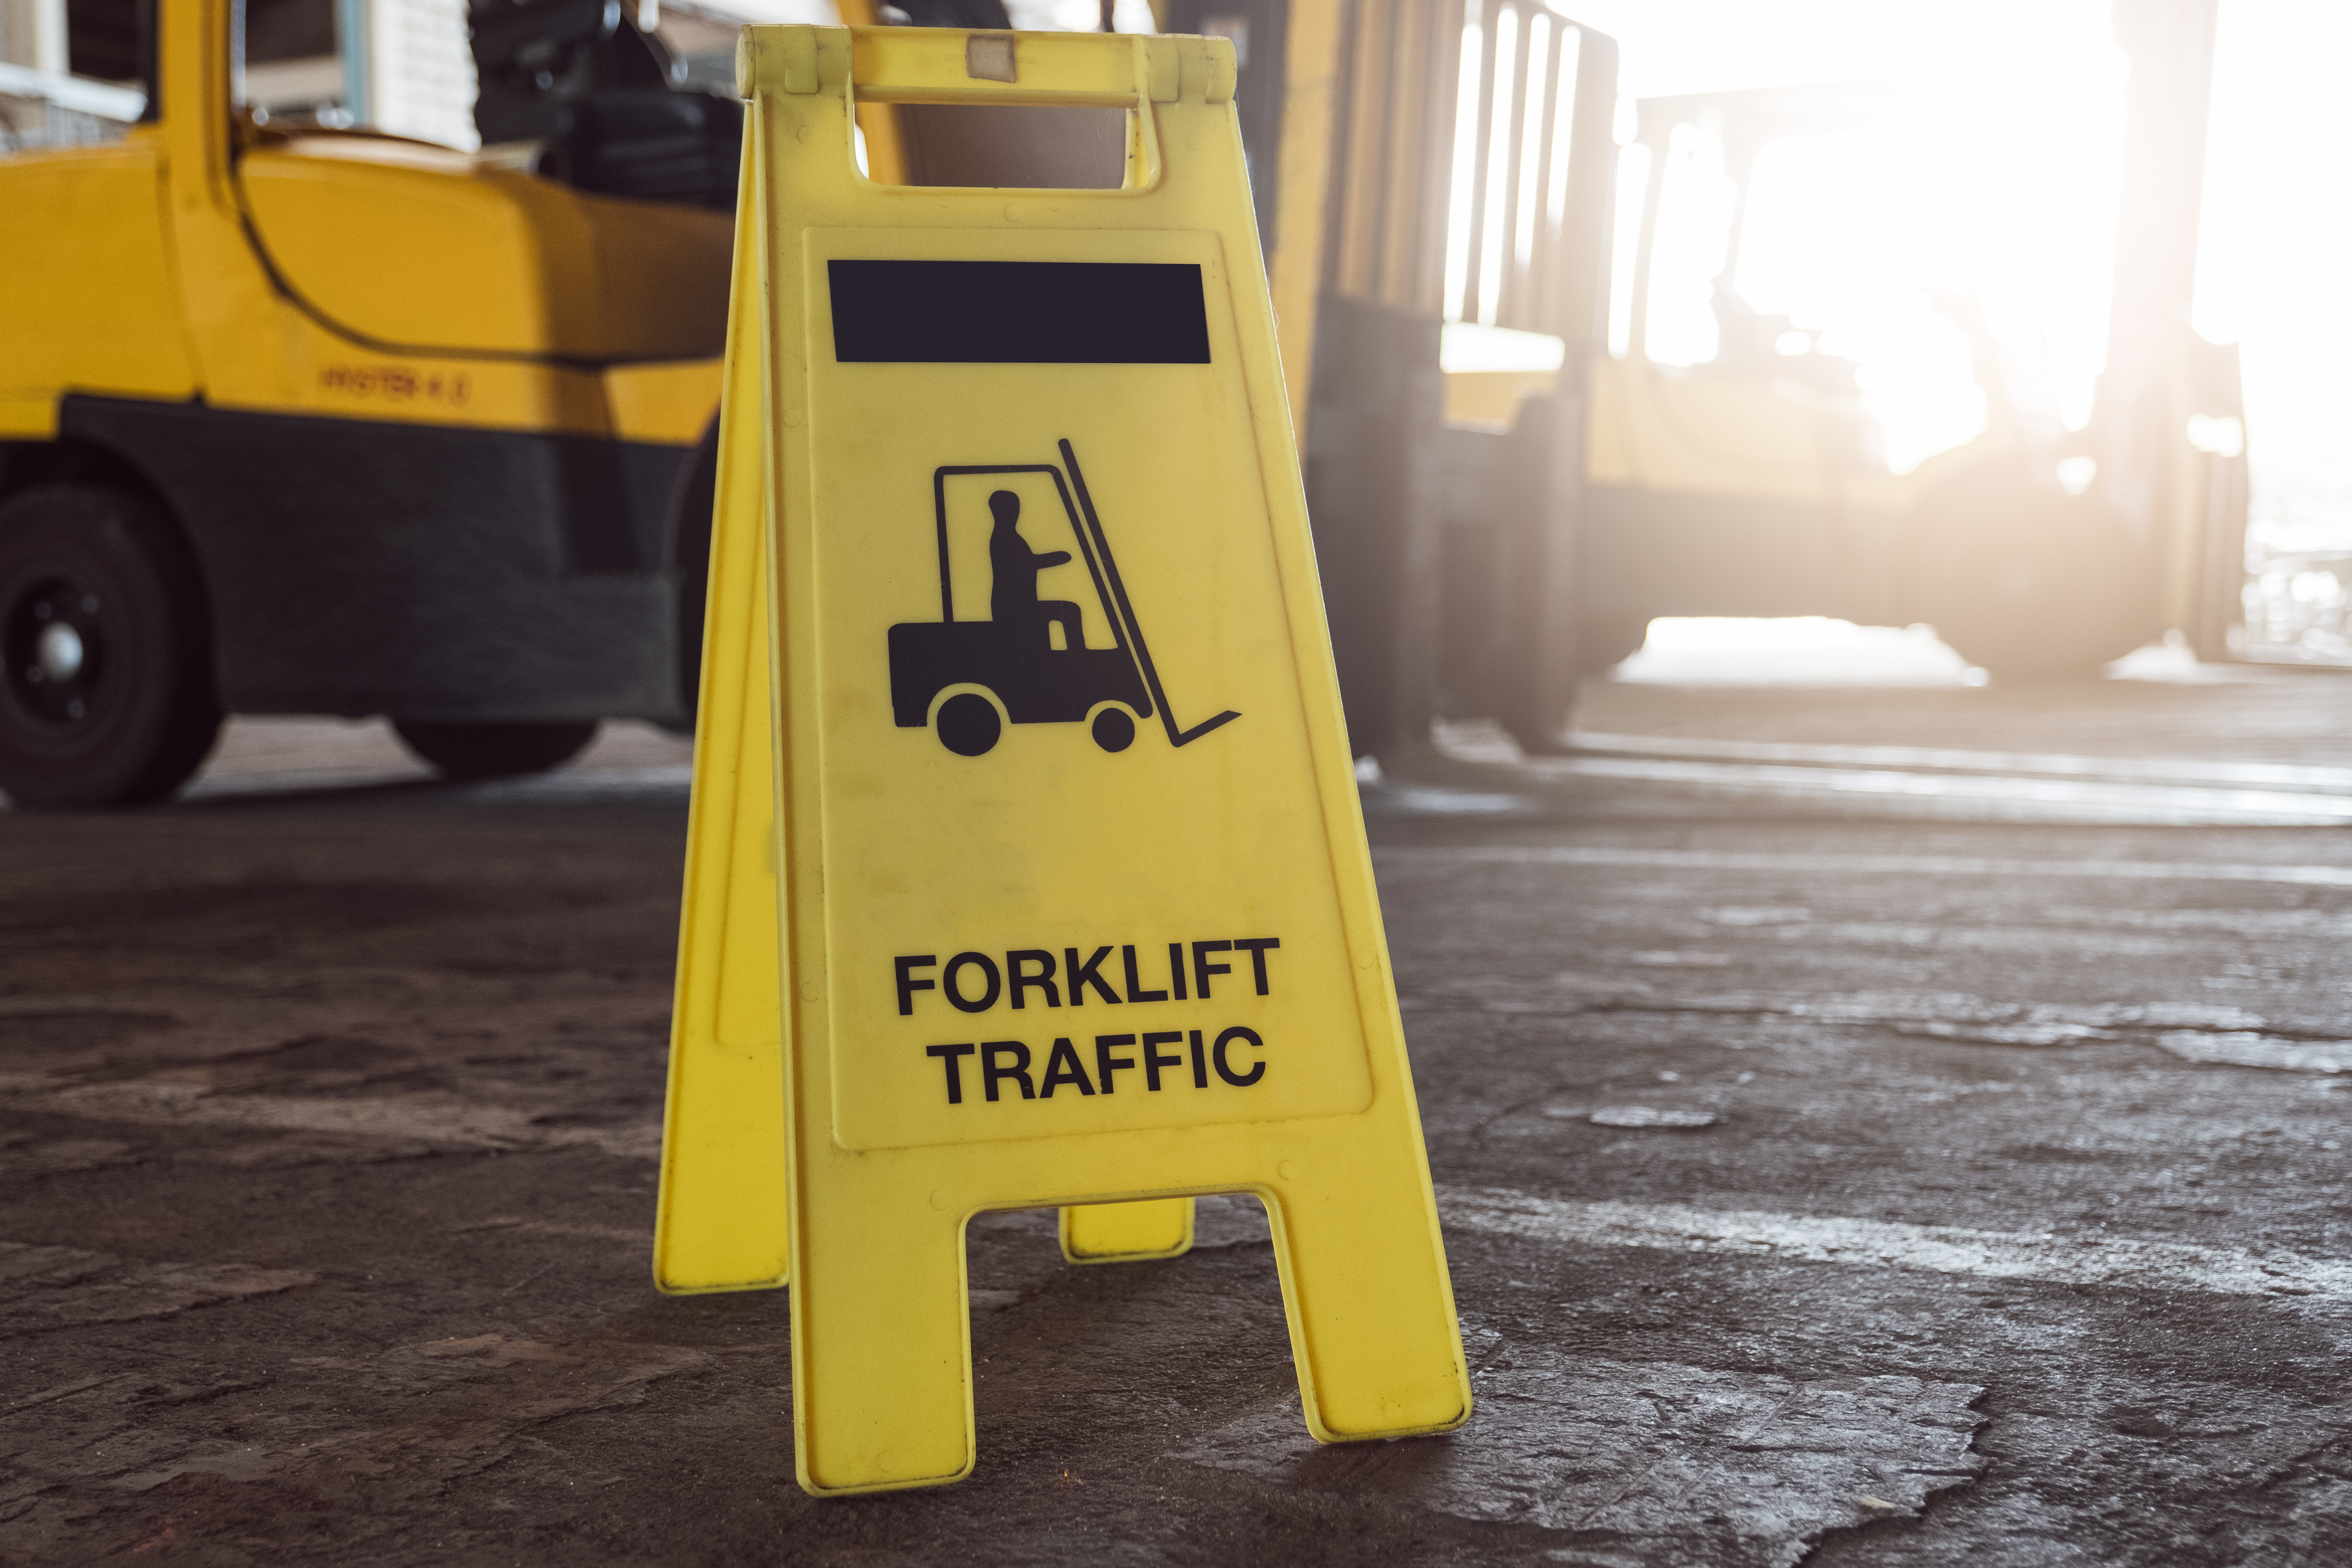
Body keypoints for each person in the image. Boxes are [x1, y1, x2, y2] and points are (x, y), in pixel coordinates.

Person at [987, 490, 1084, 651]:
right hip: (1015, 607)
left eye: (1015, 508)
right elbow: (1026, 563)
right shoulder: (1004, 538)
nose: (1015, 512)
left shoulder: (1008, 536)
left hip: (1019, 603)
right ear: (1000, 511)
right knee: (1070, 610)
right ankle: (1079, 658)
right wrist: (1058, 557)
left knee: (1069, 610)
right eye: (1011, 508)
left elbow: (1027, 562)